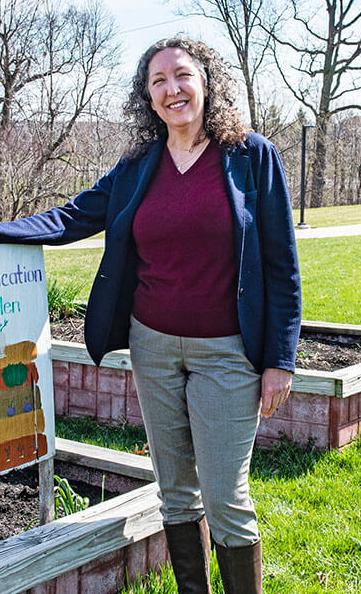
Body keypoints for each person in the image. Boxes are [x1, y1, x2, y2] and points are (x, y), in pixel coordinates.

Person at [0, 37, 301, 594]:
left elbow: (282, 264)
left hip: (228, 354)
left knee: (225, 496)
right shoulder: (140, 165)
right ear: (147, 97)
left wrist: (280, 359)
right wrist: (5, 230)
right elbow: (76, 214)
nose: (172, 89)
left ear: (207, 81)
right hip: (154, 347)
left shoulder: (251, 157)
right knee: (175, 492)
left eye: (181, 75)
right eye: (157, 81)